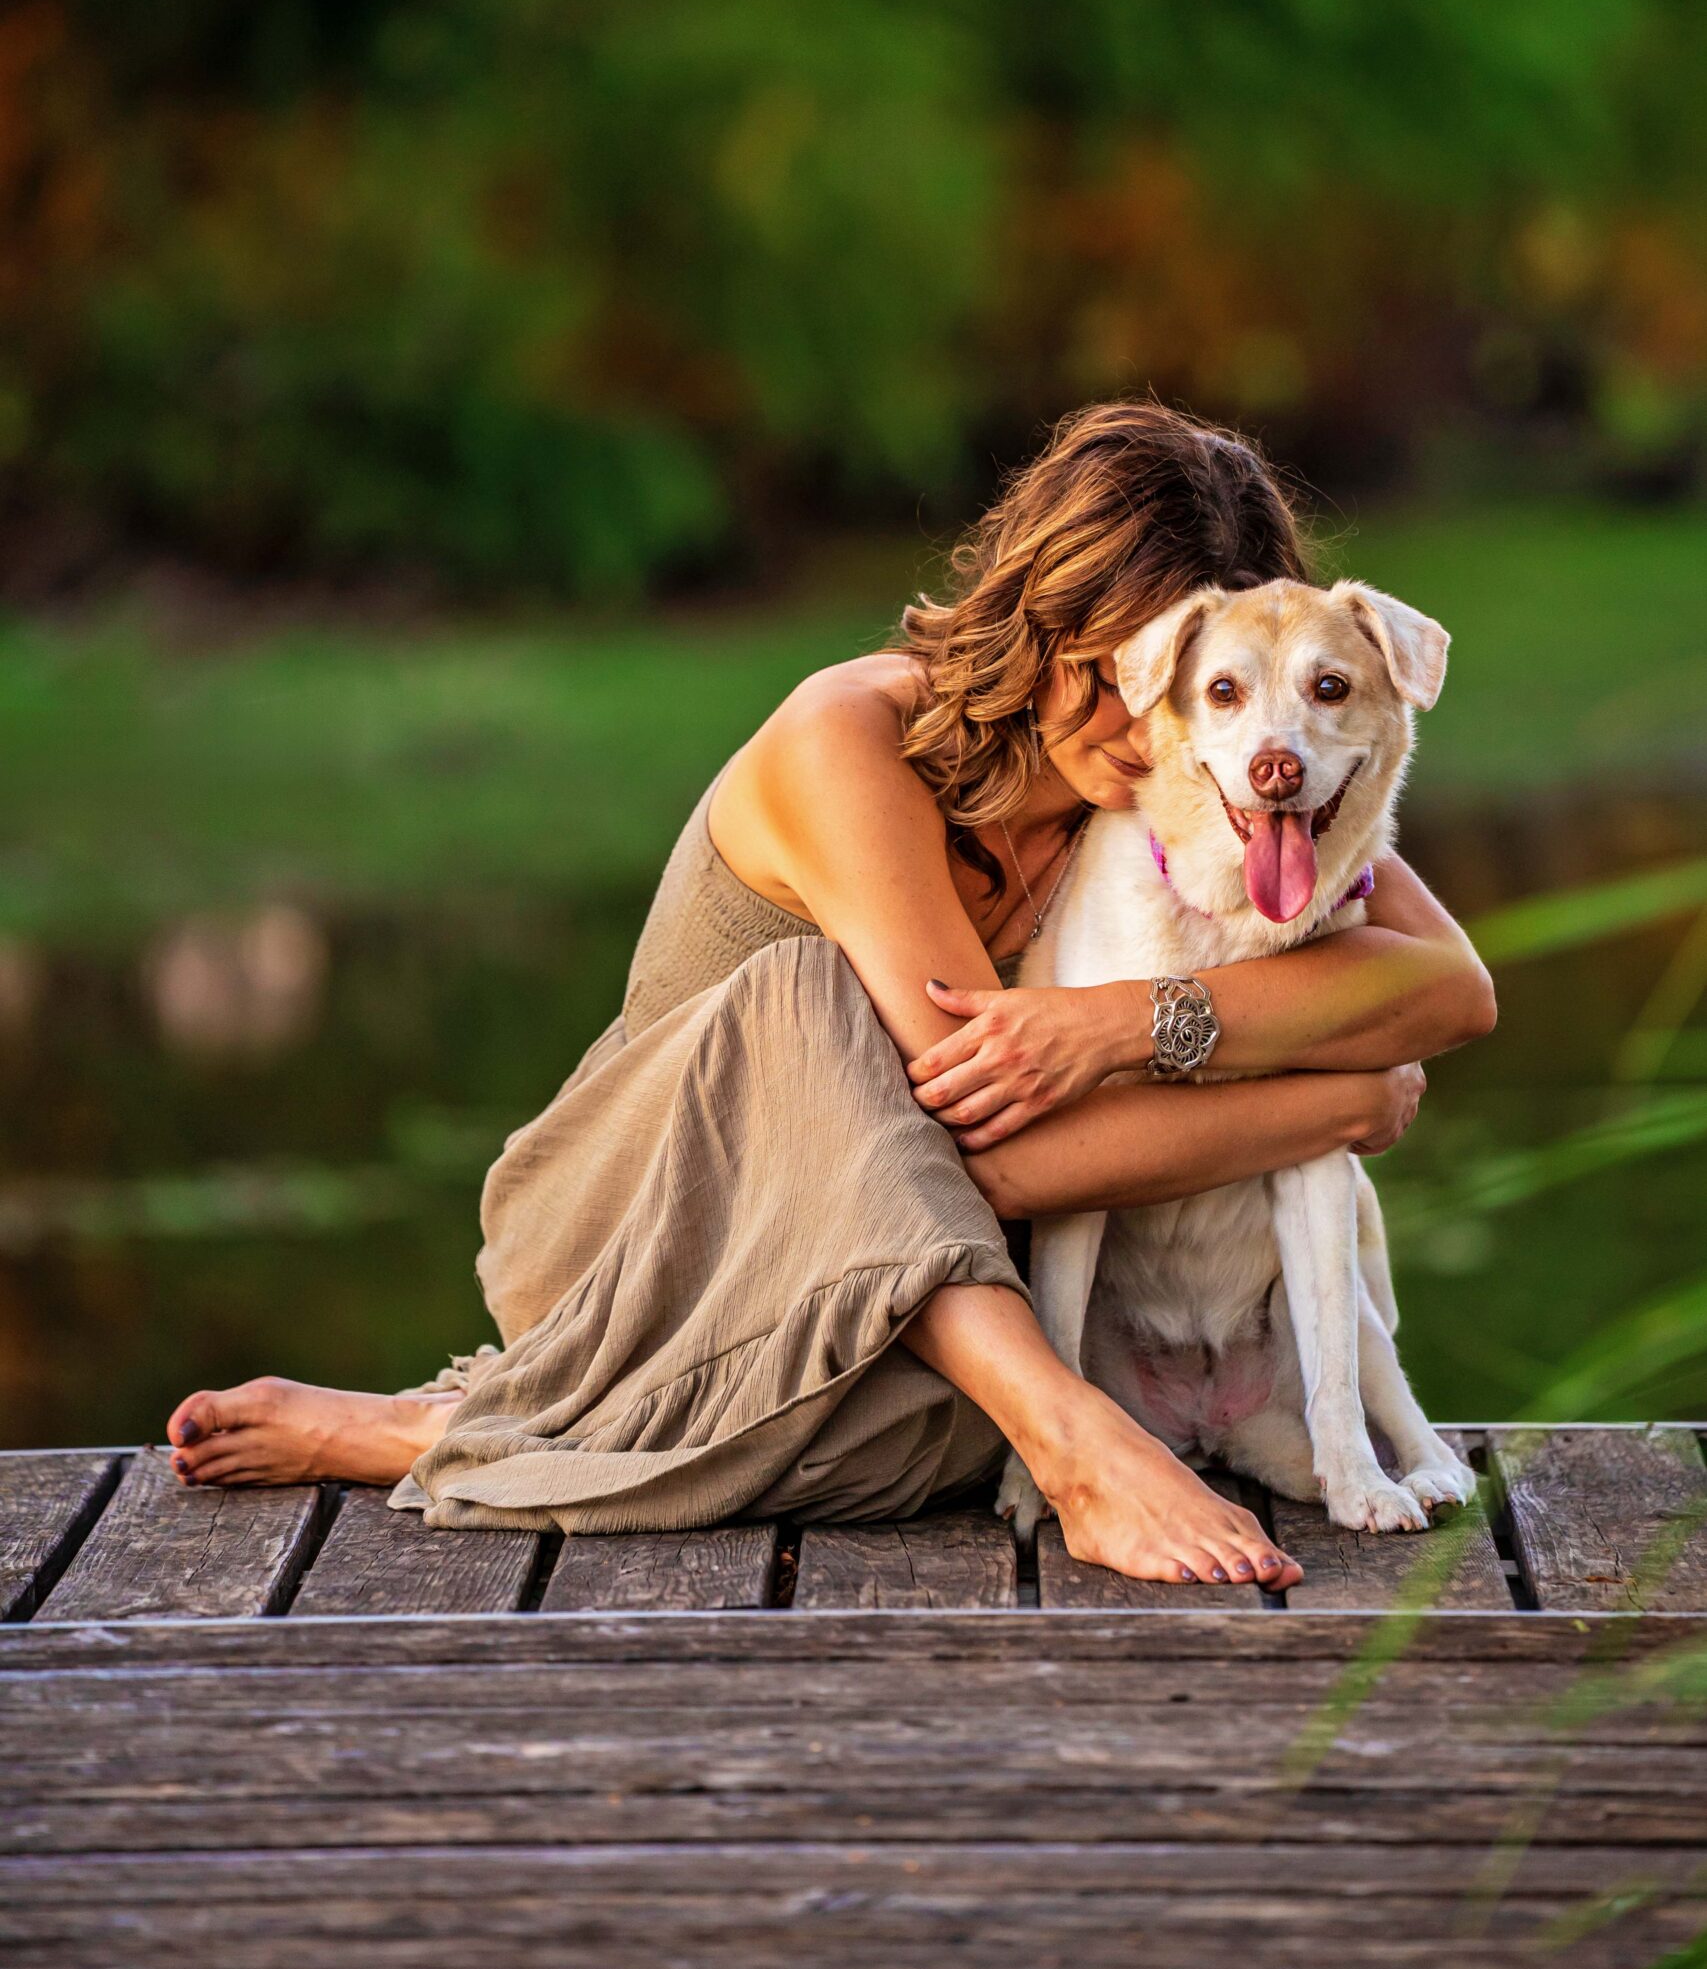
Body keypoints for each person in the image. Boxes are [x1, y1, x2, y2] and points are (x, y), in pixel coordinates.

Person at [165, 401, 1494, 1588]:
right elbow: (1008, 1160)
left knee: (978, 1408)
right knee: (815, 1000)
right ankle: (1074, 1448)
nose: (1154, 727)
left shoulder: (1196, 790)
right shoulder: (847, 739)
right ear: (1039, 621)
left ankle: (460, 1424)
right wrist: (1339, 1100)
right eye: (1115, 672)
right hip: (645, 1232)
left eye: (1202, 692)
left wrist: (1134, 1023)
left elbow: (1450, 991)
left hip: (906, 1306)